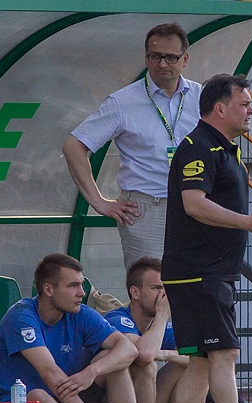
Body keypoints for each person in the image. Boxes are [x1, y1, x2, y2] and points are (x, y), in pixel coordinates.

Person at [160, 74, 252, 403]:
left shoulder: (225, 149)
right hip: (200, 271)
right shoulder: (198, 147)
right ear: (219, 108)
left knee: (201, 359)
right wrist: (248, 222)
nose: (251, 111)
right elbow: (194, 204)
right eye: (244, 104)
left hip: (208, 271)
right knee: (225, 352)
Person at [63, 22, 202, 270]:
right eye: (155, 56)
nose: (162, 64)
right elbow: (74, 146)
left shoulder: (201, 97)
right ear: (146, 58)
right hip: (147, 208)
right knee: (151, 285)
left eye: (171, 57)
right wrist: (99, 202)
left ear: (185, 59)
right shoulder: (123, 102)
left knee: (194, 283)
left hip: (195, 205)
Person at [0, 253, 148, 403]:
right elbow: (50, 374)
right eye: (73, 286)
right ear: (48, 289)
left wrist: (92, 372)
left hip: (65, 401)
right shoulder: (21, 317)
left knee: (112, 360)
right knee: (38, 398)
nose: (82, 293)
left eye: (81, 285)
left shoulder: (80, 313)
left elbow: (129, 349)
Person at [104, 256, 225, 403]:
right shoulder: (117, 318)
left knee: (192, 364)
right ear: (135, 292)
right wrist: (162, 314)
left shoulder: (161, 327)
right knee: (148, 364)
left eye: (165, 288)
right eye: (156, 288)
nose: (163, 295)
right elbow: (144, 355)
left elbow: (203, 356)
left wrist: (166, 354)